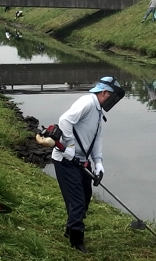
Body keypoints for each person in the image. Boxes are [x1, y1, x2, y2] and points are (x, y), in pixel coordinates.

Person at [51, 76, 125, 253]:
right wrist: (68, 145)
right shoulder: (88, 102)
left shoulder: (99, 111)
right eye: (113, 97)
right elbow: (65, 121)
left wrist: (98, 162)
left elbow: (96, 138)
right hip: (66, 160)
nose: (113, 101)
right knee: (76, 200)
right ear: (105, 92)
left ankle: (70, 230)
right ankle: (77, 241)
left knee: (85, 197)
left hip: (82, 162)